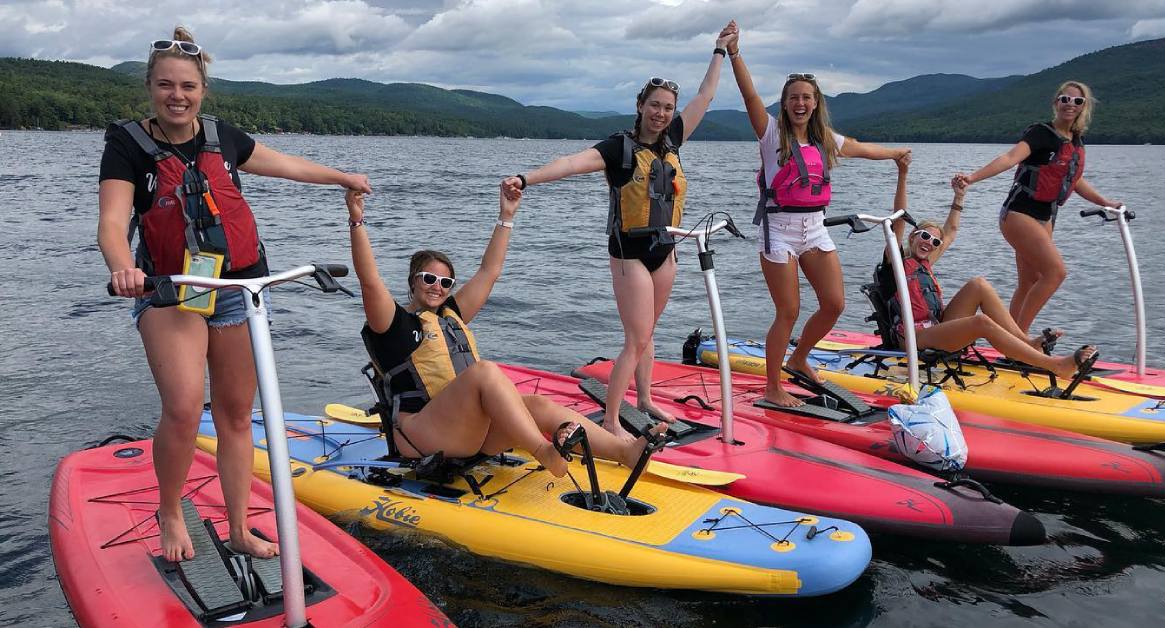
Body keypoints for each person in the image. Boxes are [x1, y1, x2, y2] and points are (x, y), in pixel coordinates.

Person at [99, 27, 372, 562]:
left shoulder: (224, 138)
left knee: (233, 413)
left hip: (236, 287)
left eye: (188, 86)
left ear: (203, 89)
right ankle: (172, 510)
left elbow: (288, 165)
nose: (177, 96)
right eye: (165, 86)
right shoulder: (127, 145)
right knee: (181, 409)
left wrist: (343, 177)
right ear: (150, 88)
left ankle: (241, 528)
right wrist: (123, 266)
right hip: (172, 289)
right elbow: (112, 221)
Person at [500, 24, 737, 439]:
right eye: (655, 105)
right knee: (636, 337)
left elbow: (707, 96)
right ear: (640, 105)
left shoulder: (674, 140)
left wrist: (720, 51)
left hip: (666, 251)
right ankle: (611, 421)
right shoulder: (618, 149)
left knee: (649, 334)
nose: (662, 113)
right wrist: (526, 178)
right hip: (629, 254)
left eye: (667, 107)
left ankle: (644, 400)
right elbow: (572, 164)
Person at [348, 185, 663, 476]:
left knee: (537, 405)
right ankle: (543, 451)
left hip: (464, 431)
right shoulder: (392, 325)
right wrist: (357, 221)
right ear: (413, 282)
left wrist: (506, 215)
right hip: (420, 436)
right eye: (428, 278)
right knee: (485, 372)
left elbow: (489, 271)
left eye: (445, 283)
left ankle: (625, 452)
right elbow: (370, 279)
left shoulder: (451, 315)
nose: (437, 287)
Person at [723, 22, 912, 407]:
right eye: (793, 97)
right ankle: (772, 387)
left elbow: (859, 147)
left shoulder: (827, 140)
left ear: (815, 102)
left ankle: (800, 357)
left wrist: (895, 155)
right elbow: (749, 96)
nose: (800, 103)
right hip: (779, 229)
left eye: (806, 97)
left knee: (834, 304)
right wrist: (734, 52)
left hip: (815, 228)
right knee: (788, 310)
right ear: (785, 101)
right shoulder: (772, 134)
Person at [884, 160, 1097, 379]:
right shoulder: (896, 262)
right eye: (925, 236)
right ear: (912, 236)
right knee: (981, 322)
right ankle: (1055, 365)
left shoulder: (925, 260)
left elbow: (952, 229)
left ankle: (1026, 343)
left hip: (936, 327)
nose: (930, 243)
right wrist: (903, 172)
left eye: (935, 242)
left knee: (979, 284)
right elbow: (899, 218)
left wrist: (959, 196)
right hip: (913, 337)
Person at [953, 81, 1122, 333]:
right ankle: (1019, 341)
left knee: (1030, 281)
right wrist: (972, 178)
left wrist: (1105, 203)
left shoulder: (1075, 141)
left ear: (1083, 107)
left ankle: (1008, 339)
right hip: (1020, 214)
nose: (1070, 105)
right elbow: (1009, 158)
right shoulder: (1041, 133)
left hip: (1046, 218)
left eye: (1078, 101)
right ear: (1056, 102)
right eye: (1065, 99)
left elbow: (1074, 180)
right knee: (1055, 273)